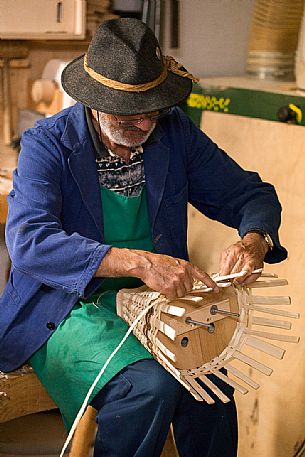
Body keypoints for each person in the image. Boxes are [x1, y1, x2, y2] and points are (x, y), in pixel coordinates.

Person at [0, 18, 287, 457]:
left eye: (149, 111)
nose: (140, 125)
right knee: (146, 388)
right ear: (95, 103)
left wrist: (255, 239)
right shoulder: (48, 144)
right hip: (67, 306)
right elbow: (30, 243)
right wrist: (138, 262)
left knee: (208, 384)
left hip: (155, 302)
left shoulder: (174, 133)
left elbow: (249, 194)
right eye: (124, 114)